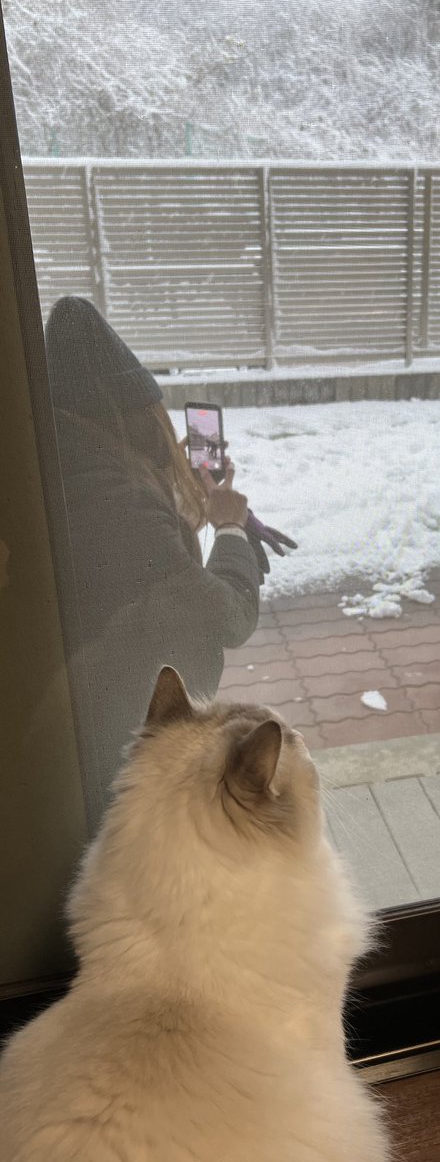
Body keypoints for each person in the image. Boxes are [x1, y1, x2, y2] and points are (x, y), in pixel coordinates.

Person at [44, 296, 288, 825]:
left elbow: (136, 570)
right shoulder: (119, 503)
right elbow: (228, 615)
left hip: (93, 722)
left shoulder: (64, 468)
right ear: (132, 419)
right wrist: (226, 524)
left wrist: (176, 512)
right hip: (132, 739)